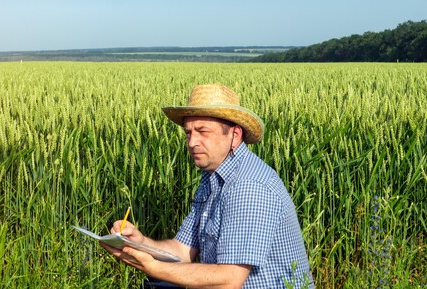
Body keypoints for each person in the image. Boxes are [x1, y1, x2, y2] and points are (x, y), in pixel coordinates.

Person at [101, 83, 314, 288]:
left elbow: (229, 280)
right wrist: (140, 242)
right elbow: (182, 251)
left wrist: (153, 267)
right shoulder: (212, 177)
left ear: (235, 136)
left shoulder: (249, 186)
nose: (192, 142)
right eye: (188, 132)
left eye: (203, 132)